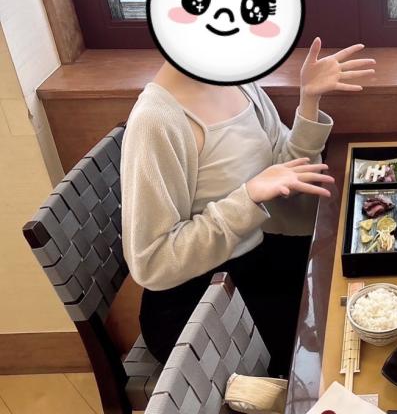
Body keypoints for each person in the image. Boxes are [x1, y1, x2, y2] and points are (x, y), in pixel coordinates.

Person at [121, 37, 375, 375]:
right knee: (331, 342)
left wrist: (309, 99)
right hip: (199, 305)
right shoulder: (155, 120)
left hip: (259, 262)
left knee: (356, 289)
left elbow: (284, 172)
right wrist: (249, 197)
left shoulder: (236, 80)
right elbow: (152, 262)